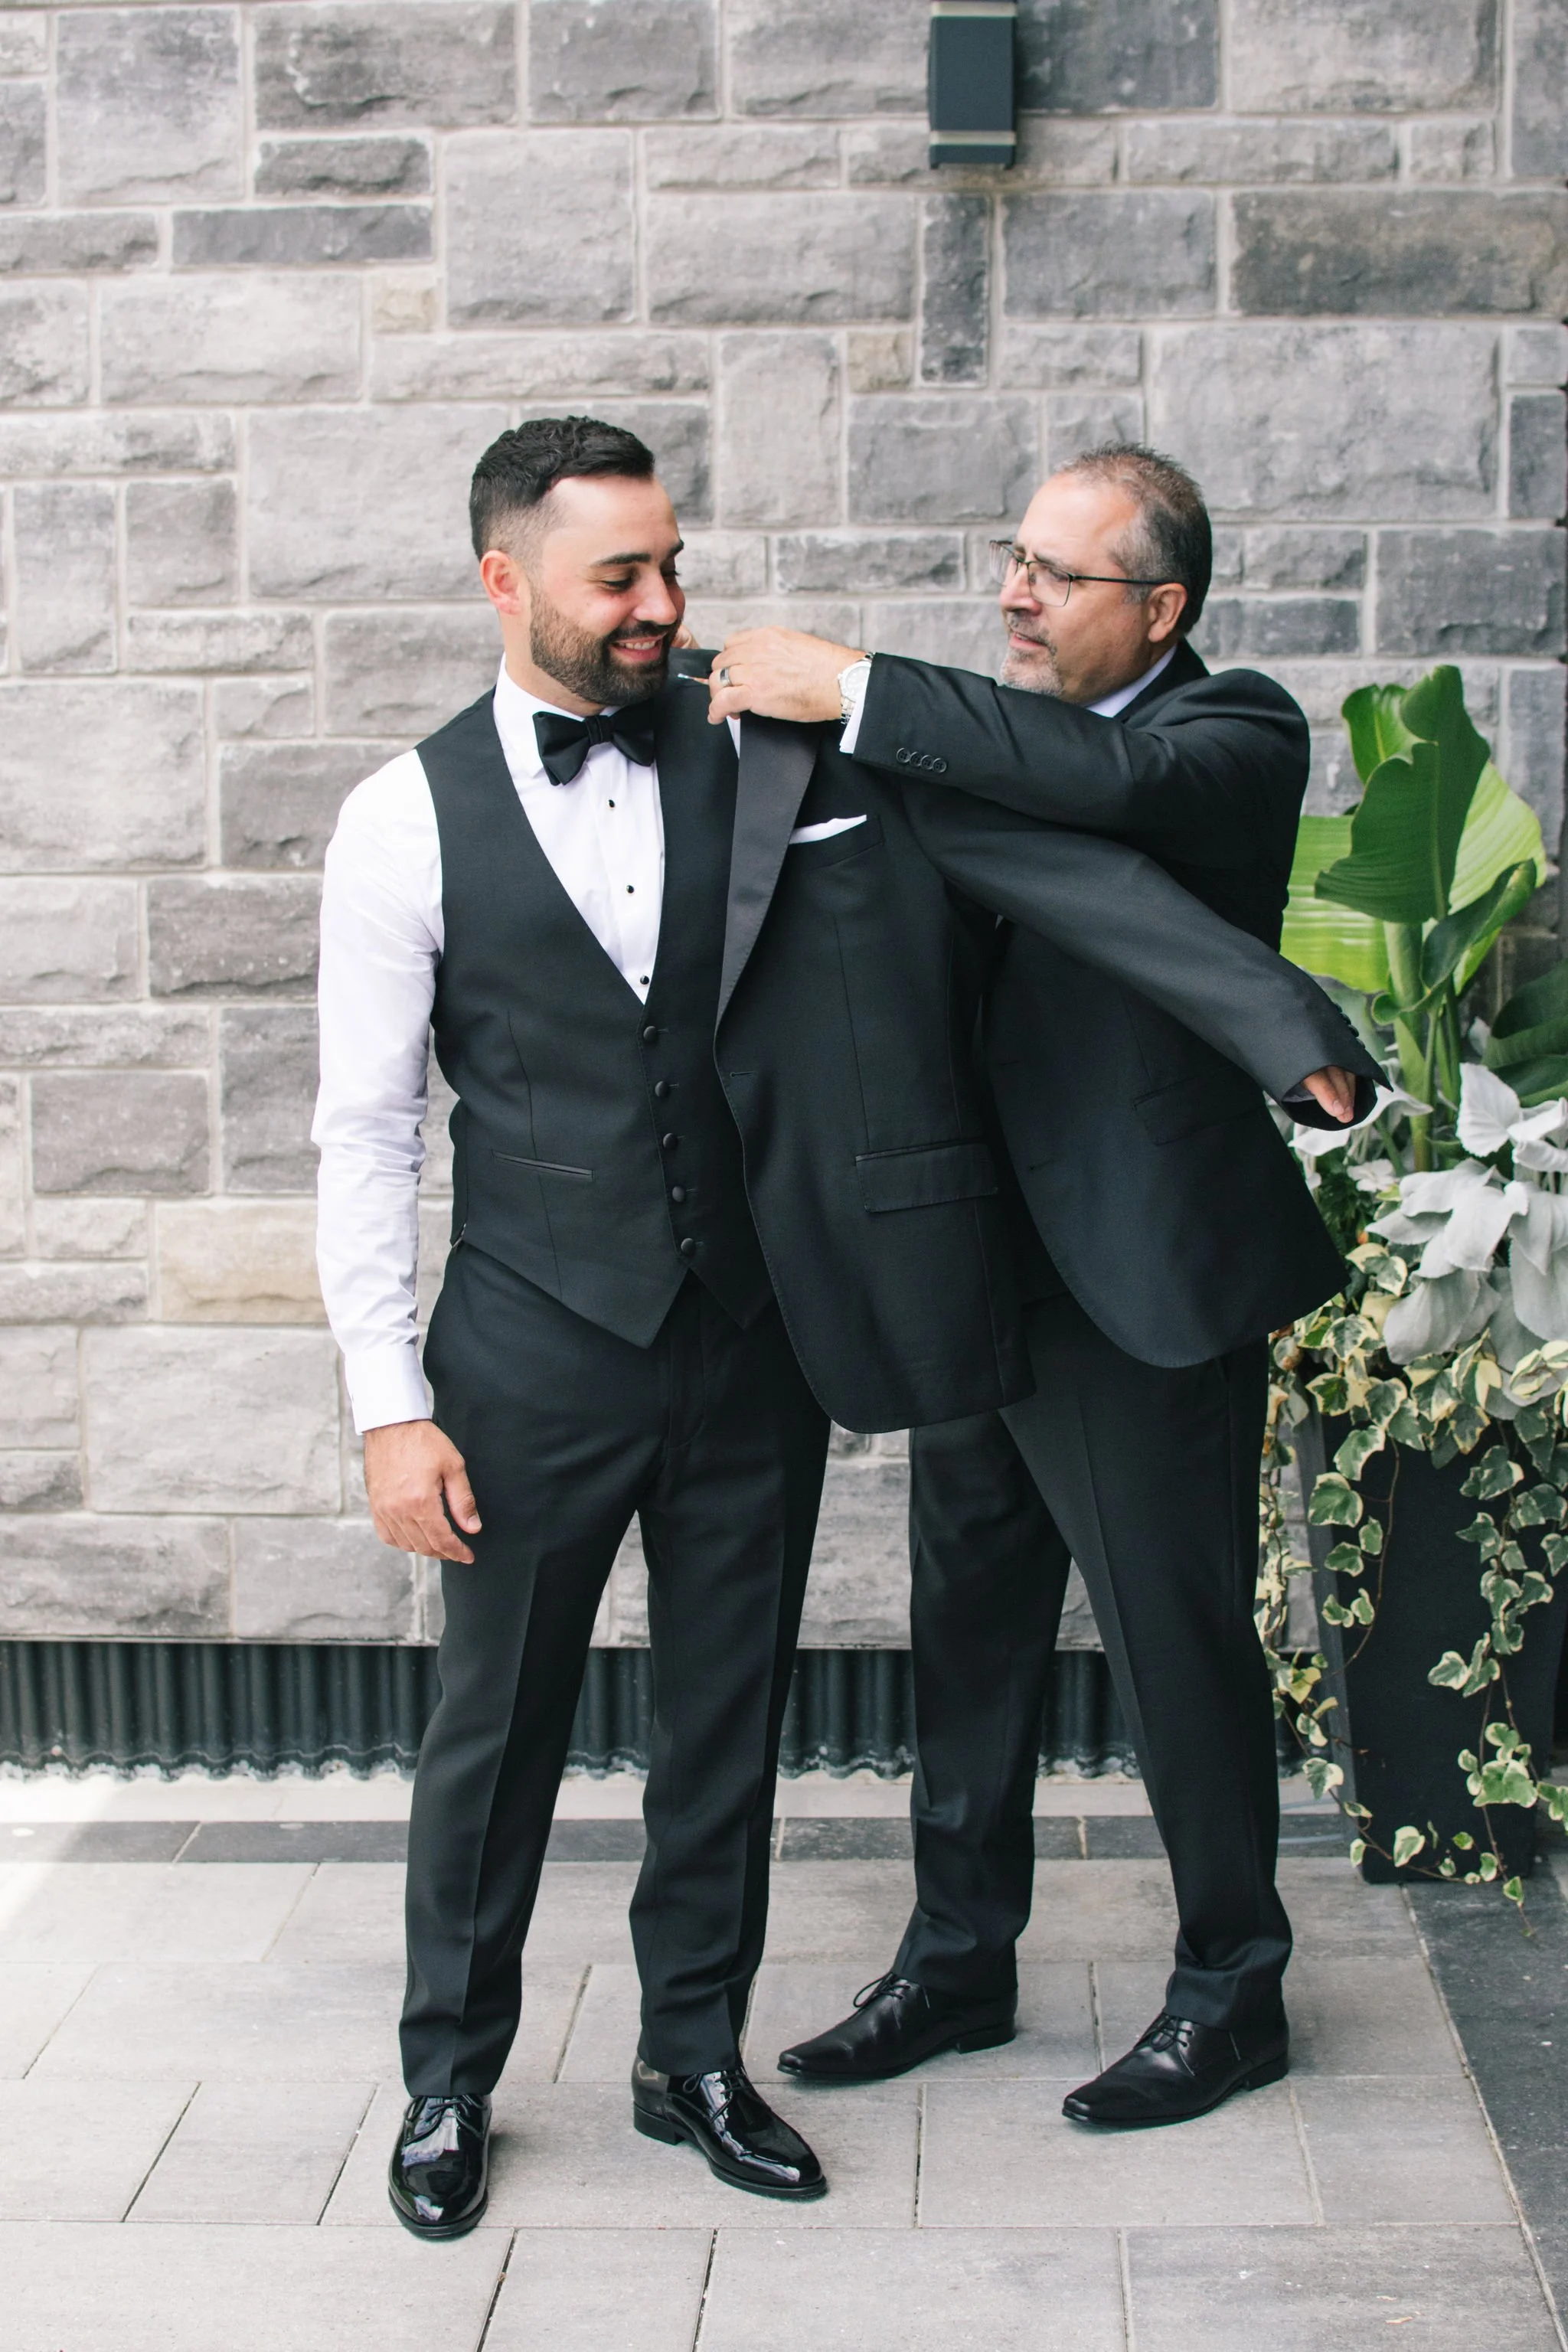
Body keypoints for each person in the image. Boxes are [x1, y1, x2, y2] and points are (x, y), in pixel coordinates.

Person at [314, 420, 1376, 2239]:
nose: (664, 605)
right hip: (640, 1319)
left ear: (1162, 603)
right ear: (506, 581)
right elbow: (367, 1130)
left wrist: (1282, 1024)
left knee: (783, 1706)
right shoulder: (404, 814)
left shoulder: (1178, 728)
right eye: (621, 576)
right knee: (545, 1718)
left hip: (957, 1302)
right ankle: (476, 2074)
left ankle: (774, 2046)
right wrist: (385, 1397)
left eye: (675, 567)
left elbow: (1067, 855)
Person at [704, 445, 1364, 2129]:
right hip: (971, 1265)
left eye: (1057, 575)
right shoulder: (984, 750)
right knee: (967, 1630)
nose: (1015, 591)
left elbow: (1102, 796)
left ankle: (1232, 1988)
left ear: (1161, 607)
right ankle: (956, 1961)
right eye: (1014, 557)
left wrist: (850, 684)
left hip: (1141, 1285)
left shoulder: (1233, 735)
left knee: (1174, 1646)